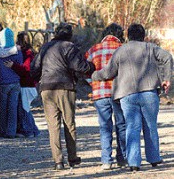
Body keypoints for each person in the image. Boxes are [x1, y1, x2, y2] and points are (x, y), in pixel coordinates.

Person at [92, 23, 173, 171]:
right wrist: (167, 78)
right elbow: (167, 57)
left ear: (128, 36)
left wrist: (94, 75)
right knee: (150, 126)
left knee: (132, 127)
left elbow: (108, 72)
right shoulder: (150, 47)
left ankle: (134, 163)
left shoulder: (120, 51)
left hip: (127, 95)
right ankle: (154, 158)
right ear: (144, 36)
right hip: (149, 93)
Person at [30, 22, 95, 170]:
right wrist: (92, 67)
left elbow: (34, 69)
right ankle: (72, 157)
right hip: (66, 88)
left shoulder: (45, 47)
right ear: (70, 35)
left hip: (47, 89)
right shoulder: (70, 47)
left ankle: (58, 161)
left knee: (53, 126)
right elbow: (80, 67)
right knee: (69, 124)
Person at [85, 23, 126, 170]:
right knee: (121, 125)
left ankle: (106, 160)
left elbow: (84, 69)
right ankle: (122, 158)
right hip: (119, 92)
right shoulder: (122, 49)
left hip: (100, 93)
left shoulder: (93, 49)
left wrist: (92, 82)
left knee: (105, 127)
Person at [4, 31, 40, 138]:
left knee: (24, 109)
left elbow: (25, 69)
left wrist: (13, 66)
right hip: (28, 83)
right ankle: (33, 130)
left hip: (26, 83)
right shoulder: (29, 52)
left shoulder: (27, 54)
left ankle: (29, 130)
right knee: (25, 108)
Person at [0, 28, 23, 138]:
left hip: (2, 82)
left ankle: (2, 130)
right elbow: (19, 64)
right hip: (15, 82)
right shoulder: (17, 51)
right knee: (13, 107)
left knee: (2, 108)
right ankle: (11, 131)